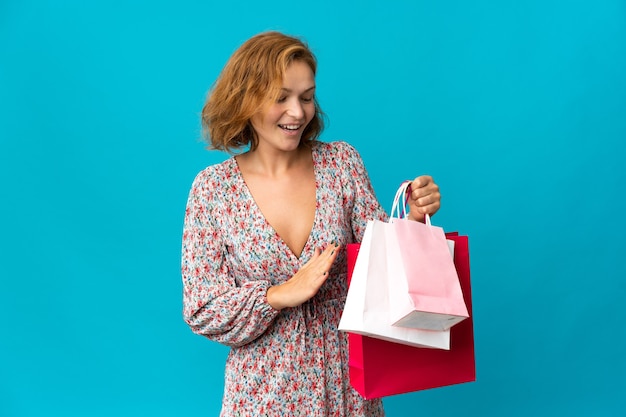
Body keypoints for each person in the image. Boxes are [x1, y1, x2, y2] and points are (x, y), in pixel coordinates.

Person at [181, 31, 441, 416]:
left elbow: (384, 269)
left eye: (306, 97)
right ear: (245, 98)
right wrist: (279, 294)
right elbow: (202, 308)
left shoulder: (341, 164)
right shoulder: (212, 190)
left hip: (348, 385)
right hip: (262, 393)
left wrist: (414, 220)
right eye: (281, 97)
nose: (298, 112)